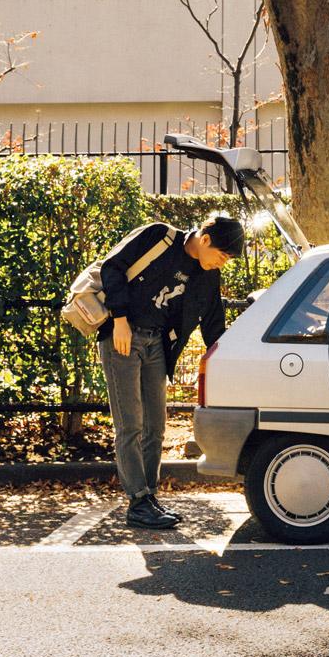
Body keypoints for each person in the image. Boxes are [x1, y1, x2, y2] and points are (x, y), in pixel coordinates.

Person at [98, 213, 244, 529]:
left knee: (156, 426)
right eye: (221, 256)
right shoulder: (159, 236)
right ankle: (138, 502)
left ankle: (149, 497)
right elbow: (113, 267)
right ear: (205, 240)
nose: (221, 264)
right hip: (123, 337)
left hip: (156, 346)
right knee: (130, 425)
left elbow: (214, 324)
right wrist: (119, 319)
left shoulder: (207, 275)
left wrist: (227, 361)